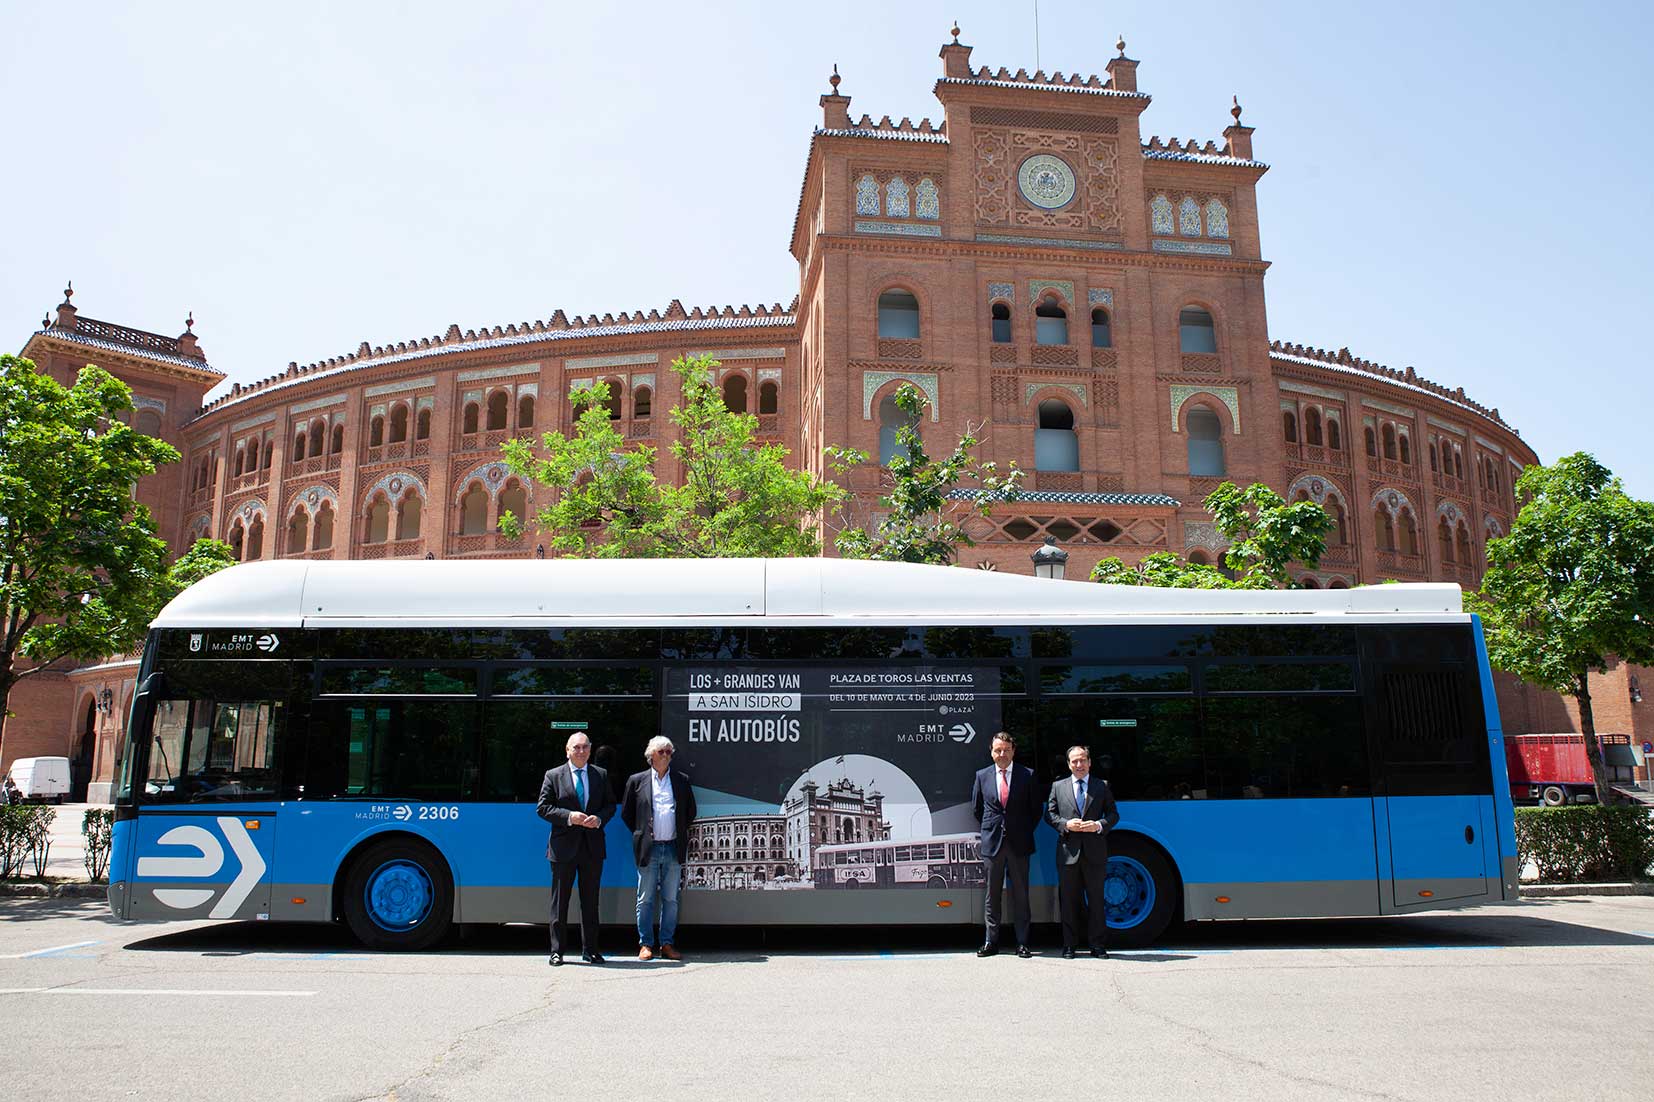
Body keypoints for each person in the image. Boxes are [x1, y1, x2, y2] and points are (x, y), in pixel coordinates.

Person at [537, 730, 616, 966]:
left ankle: (590, 950)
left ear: (590, 750)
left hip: (592, 848)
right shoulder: (553, 775)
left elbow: (610, 805)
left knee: (590, 903)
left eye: (585, 747)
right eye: (576, 747)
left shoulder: (600, 775)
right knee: (560, 902)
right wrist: (570, 816)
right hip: (563, 849)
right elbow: (543, 808)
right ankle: (557, 951)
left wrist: (599, 819)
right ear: (567, 750)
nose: (581, 751)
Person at [620, 735, 697, 962]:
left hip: (673, 847)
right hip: (649, 849)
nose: (666, 756)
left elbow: (690, 812)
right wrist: (641, 833)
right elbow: (627, 813)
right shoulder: (637, 781)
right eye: (662, 751)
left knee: (671, 899)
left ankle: (667, 943)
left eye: (669, 752)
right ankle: (645, 944)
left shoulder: (681, 780)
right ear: (651, 755)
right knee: (645, 898)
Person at [1044, 744, 1120, 959]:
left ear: (1089, 762)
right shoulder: (1058, 787)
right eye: (1074, 761)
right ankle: (1070, 946)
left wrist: (1098, 825)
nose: (1079, 764)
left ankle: (1097, 946)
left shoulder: (1101, 785)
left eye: (1083, 760)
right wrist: (1066, 824)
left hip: (1095, 852)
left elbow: (1114, 814)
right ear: (1069, 764)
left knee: (1096, 901)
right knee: (1068, 902)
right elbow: (1049, 815)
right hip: (1068, 853)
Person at [970, 731, 1039, 958]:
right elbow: (977, 809)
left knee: (1021, 894)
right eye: (998, 750)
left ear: (1013, 751)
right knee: (992, 895)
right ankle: (991, 942)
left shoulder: (1027, 775)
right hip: (992, 844)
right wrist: (994, 829)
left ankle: (1022, 943)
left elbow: (1035, 810)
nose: (1002, 754)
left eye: (1006, 750)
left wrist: (1020, 829)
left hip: (1019, 844)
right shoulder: (982, 776)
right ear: (991, 752)